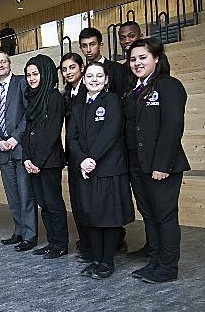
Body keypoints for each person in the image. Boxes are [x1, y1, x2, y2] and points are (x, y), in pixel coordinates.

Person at [124, 38, 190, 284]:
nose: (137, 63)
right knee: (149, 216)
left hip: (161, 166)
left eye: (142, 58)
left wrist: (162, 165)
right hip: (137, 166)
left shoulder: (169, 86)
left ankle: (168, 268)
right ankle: (154, 261)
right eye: (133, 59)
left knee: (165, 216)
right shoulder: (134, 91)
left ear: (156, 59)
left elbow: (172, 127)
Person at [67, 62, 135, 279]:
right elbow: (72, 138)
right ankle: (96, 259)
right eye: (89, 76)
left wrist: (91, 159)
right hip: (87, 170)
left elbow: (111, 133)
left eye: (99, 76)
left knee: (109, 217)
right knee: (91, 217)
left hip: (109, 169)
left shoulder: (112, 100)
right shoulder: (78, 106)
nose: (94, 79)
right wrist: (82, 161)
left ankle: (107, 262)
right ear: (84, 80)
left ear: (106, 80)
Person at [0, 51, 37, 252]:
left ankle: (30, 235)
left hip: (21, 148)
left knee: (26, 194)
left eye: (3, 61)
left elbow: (28, 114)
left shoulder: (21, 83)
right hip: (4, 152)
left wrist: (14, 138)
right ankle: (18, 231)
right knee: (12, 195)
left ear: (10, 64)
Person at [22, 54, 68, 259]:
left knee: (53, 203)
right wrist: (26, 159)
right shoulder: (32, 97)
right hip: (33, 162)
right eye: (28, 75)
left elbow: (51, 132)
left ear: (46, 73)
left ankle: (60, 244)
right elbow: (27, 131)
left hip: (48, 162)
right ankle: (52, 242)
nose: (31, 78)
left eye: (35, 74)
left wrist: (38, 162)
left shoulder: (54, 97)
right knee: (43, 204)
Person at [117, 21, 151, 259]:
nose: (126, 40)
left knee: (159, 208)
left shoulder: (157, 77)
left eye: (131, 36)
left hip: (150, 154)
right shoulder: (123, 72)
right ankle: (152, 247)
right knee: (145, 206)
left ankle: (161, 254)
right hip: (131, 152)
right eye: (122, 37)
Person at [59, 53, 91, 263]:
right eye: (65, 69)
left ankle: (96, 244)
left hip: (90, 154)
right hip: (73, 154)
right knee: (78, 202)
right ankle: (85, 241)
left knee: (91, 202)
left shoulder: (90, 90)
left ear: (81, 67)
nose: (69, 72)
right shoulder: (65, 94)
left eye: (72, 67)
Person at [79, 27, 127, 100]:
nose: (88, 50)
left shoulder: (117, 68)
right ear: (80, 48)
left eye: (92, 44)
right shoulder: (83, 72)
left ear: (100, 45)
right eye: (84, 46)